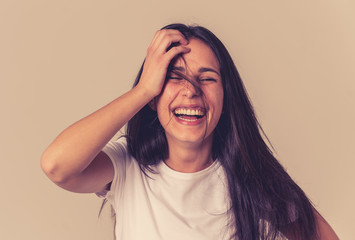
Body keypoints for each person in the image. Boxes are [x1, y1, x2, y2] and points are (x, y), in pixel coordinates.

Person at [41, 23, 338, 240]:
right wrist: (143, 89)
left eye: (206, 78)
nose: (191, 91)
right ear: (155, 94)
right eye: (174, 77)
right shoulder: (126, 164)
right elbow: (56, 165)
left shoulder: (249, 177)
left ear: (226, 97)